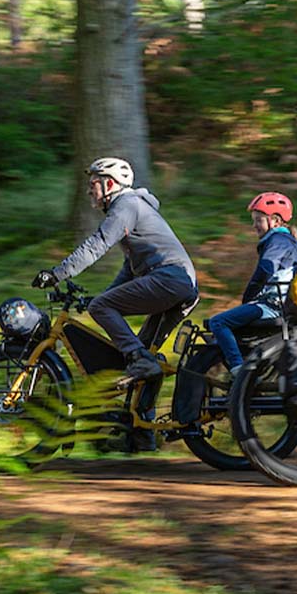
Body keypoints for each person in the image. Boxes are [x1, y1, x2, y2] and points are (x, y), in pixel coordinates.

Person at [32, 157, 198, 449]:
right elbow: (129, 270)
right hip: (181, 286)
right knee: (146, 355)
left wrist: (58, 273)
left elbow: (96, 244)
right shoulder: (135, 210)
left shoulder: (127, 206)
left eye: (93, 184)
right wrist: (99, 297)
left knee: (129, 344)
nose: (89, 191)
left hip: (170, 280)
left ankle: (140, 362)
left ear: (110, 184)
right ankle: (141, 435)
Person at [207, 192, 297, 376]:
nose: (254, 225)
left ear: (275, 221)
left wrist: (248, 297)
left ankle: (239, 371)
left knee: (218, 322)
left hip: (271, 306)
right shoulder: (285, 241)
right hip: (275, 304)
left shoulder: (278, 240)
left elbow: (265, 269)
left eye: (258, 220)